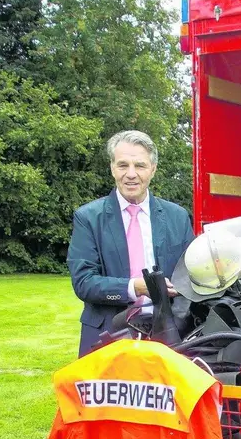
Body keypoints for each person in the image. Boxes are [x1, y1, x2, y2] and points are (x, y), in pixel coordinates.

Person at [66, 131, 195, 356]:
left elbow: (191, 273)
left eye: (140, 165)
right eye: (123, 165)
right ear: (112, 168)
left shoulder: (178, 216)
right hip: (107, 335)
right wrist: (134, 288)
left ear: (153, 169)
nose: (131, 174)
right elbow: (84, 282)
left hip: (170, 335)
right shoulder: (88, 217)